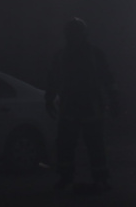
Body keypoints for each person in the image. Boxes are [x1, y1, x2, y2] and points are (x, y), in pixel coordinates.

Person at [45, 17, 120, 191]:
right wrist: (49, 98)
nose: (73, 37)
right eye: (71, 34)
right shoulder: (62, 56)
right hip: (70, 106)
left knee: (95, 144)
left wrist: (114, 98)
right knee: (66, 144)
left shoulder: (94, 54)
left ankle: (100, 179)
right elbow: (53, 78)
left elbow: (107, 77)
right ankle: (66, 178)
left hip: (90, 106)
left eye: (76, 33)